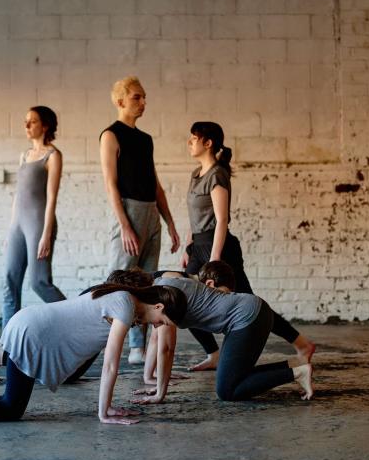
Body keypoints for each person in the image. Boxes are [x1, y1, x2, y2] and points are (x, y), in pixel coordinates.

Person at [0, 284, 187, 425]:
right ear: (160, 308)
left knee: (9, 401)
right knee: (11, 409)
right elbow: (111, 364)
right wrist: (103, 413)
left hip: (30, 325)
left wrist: (107, 407)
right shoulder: (125, 305)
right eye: (164, 322)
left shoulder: (125, 300)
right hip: (33, 334)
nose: (160, 327)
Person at [180, 121, 315, 371]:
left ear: (208, 143)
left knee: (252, 304)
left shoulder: (217, 174)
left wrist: (215, 259)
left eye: (193, 138)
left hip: (219, 247)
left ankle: (302, 343)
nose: (189, 142)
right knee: (184, 301)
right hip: (198, 246)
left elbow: (221, 220)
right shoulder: (195, 174)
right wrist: (187, 248)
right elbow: (194, 216)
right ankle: (214, 354)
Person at [133, 270, 313, 405]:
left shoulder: (163, 300)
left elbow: (166, 349)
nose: (151, 325)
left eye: (140, 318)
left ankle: (298, 373)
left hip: (247, 317)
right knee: (233, 377)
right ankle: (293, 365)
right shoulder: (166, 278)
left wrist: (160, 394)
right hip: (251, 311)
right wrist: (155, 382)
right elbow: (158, 342)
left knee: (227, 391)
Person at [100, 76, 180, 365]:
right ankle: (101, 342)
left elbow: (156, 185)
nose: (143, 102)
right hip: (129, 212)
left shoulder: (146, 139)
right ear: (121, 101)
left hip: (150, 213)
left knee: (147, 282)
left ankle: (137, 347)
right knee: (118, 281)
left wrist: (169, 222)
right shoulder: (111, 135)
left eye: (144, 97)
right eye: (137, 97)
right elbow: (111, 184)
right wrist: (124, 224)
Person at [146, 262, 315, 378]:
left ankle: (214, 355)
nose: (224, 299)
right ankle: (214, 355)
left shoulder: (190, 290)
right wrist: (151, 376)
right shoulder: (175, 288)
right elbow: (159, 339)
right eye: (222, 293)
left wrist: (153, 377)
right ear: (210, 285)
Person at [1, 106, 66, 328]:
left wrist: (46, 234)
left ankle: (76, 318)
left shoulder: (53, 156)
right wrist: (11, 229)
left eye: (33, 121)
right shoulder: (24, 156)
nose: (27, 125)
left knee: (39, 283)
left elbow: (51, 198)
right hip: (18, 224)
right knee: (10, 280)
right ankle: (7, 342)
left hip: (39, 224)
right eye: (26, 121)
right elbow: (18, 195)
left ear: (45, 125)